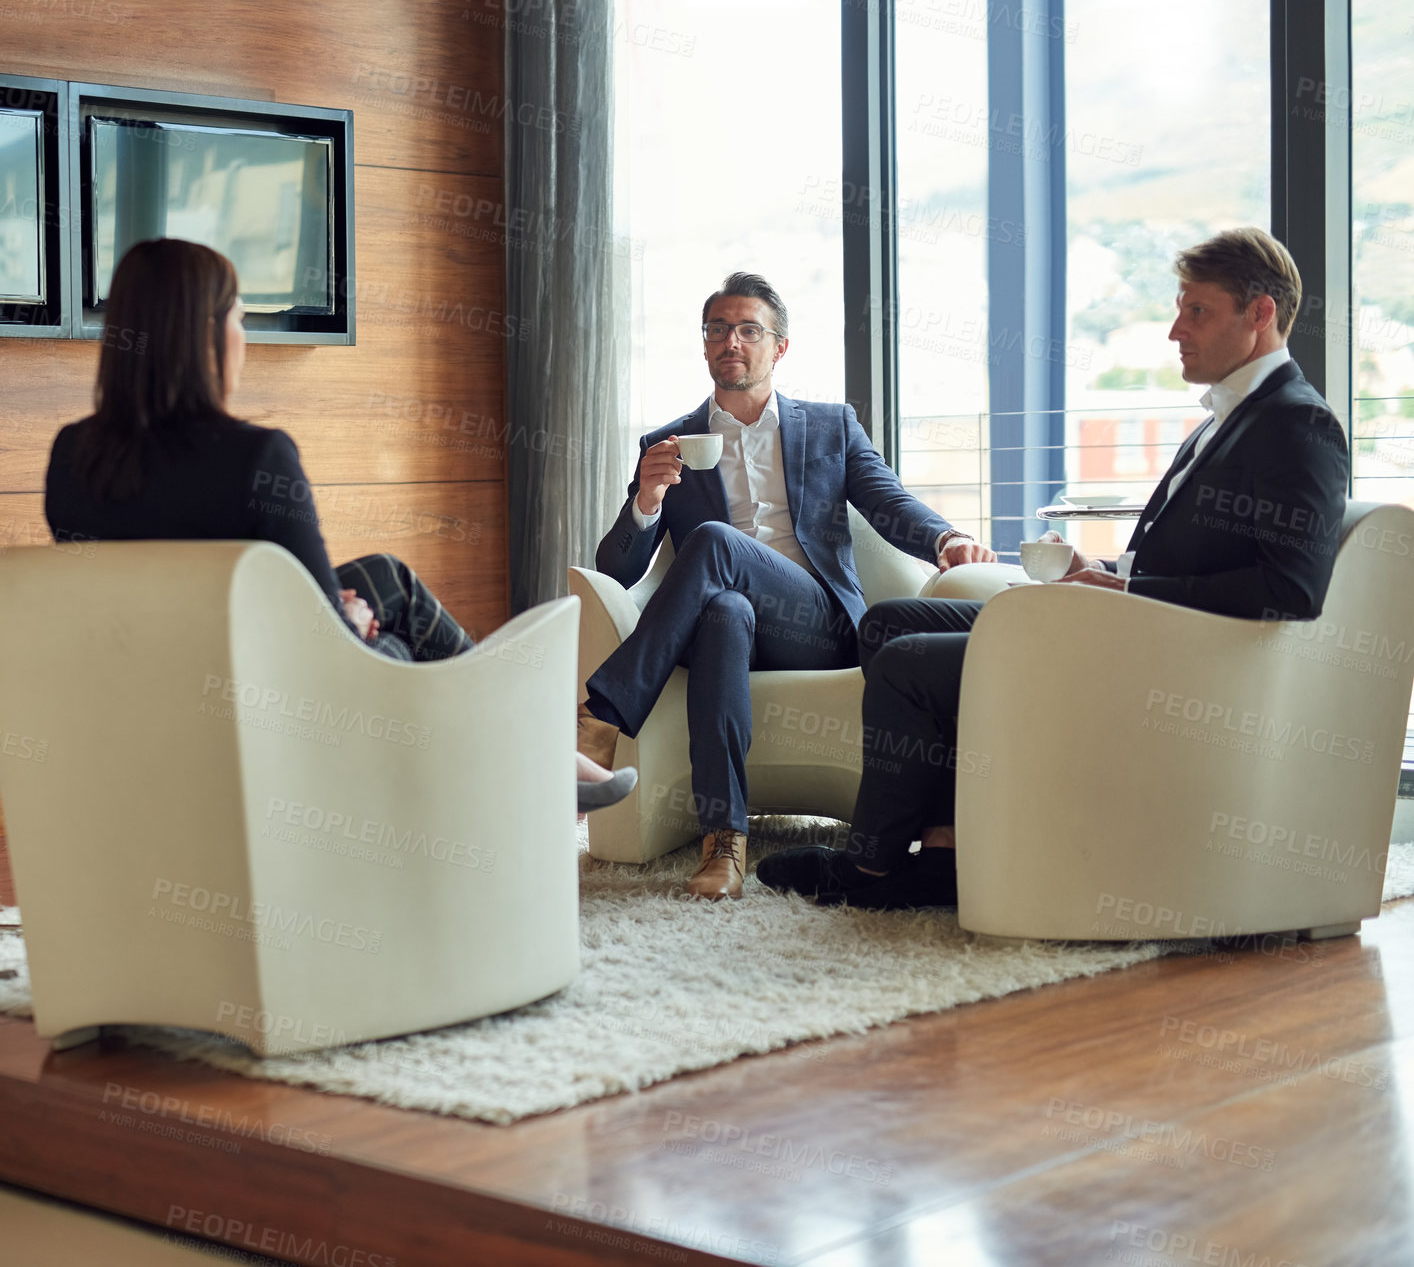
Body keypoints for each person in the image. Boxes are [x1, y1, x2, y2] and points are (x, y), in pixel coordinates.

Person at [758, 227, 1351, 910]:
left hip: (1153, 660)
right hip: (1118, 623)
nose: (1174, 331)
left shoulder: (1297, 425)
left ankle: (871, 869)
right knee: (889, 624)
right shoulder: (1234, 416)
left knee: (908, 663)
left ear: (1261, 314)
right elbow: (1194, 556)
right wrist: (1098, 566)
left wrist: (1128, 588)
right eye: (1179, 308)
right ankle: (948, 844)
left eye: (1197, 311)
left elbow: (1291, 590)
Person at [45, 237, 632, 814]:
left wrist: (328, 611)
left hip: (148, 708)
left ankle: (543, 755)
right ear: (203, 335)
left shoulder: (73, 458)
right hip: (277, 718)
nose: (243, 338)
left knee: (386, 578)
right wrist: (342, 616)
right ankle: (535, 753)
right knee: (400, 651)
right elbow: (325, 642)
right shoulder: (256, 458)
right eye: (239, 318)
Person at [575, 271, 996, 900]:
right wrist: (646, 499)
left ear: (779, 347)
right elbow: (617, 571)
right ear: (706, 344)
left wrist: (944, 539)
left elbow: (887, 501)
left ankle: (598, 723)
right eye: (718, 330)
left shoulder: (830, 427)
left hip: (815, 624)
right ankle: (725, 842)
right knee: (722, 610)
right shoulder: (667, 442)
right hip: (729, 627)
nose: (731, 342)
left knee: (715, 540)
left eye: (749, 330)